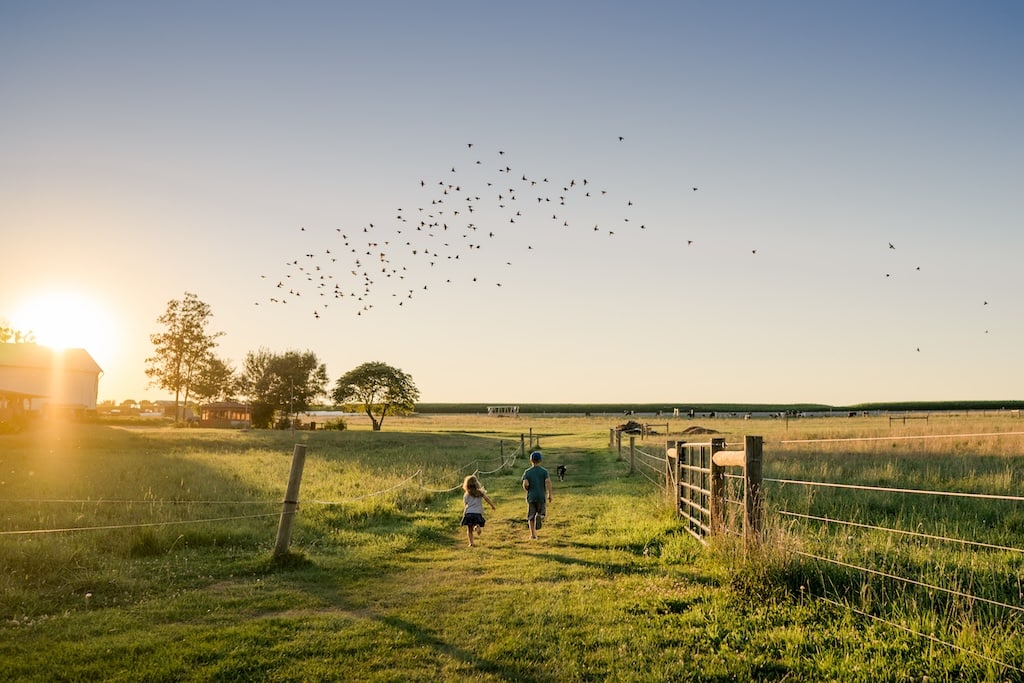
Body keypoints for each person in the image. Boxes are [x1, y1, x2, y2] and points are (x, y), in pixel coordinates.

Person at [521, 451, 551, 539]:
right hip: (541, 496)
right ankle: (540, 516)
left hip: (531, 497)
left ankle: (533, 535)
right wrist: (550, 494)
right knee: (542, 513)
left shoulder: (527, 472)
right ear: (540, 460)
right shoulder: (544, 471)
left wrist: (527, 489)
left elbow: (525, 484)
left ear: (531, 460)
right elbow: (548, 482)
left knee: (531, 516)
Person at [460, 474, 496, 547]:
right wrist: (492, 505)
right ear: (476, 483)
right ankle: (477, 527)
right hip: (477, 513)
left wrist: (465, 513)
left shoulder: (466, 494)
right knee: (475, 523)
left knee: (469, 529)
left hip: (468, 513)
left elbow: (465, 504)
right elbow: (487, 499)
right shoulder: (480, 493)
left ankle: (471, 543)